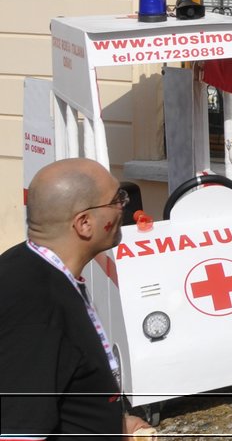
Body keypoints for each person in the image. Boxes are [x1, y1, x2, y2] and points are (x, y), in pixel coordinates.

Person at [0, 158, 152, 441]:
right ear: (84, 223)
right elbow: (16, 432)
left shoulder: (31, 267)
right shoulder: (35, 307)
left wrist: (115, 425)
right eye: (117, 199)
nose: (124, 207)